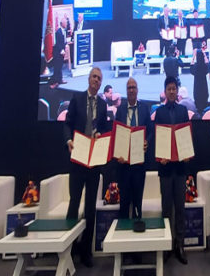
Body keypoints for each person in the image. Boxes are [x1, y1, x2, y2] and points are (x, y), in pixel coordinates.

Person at [63, 67, 110, 267]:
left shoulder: (103, 104)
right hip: (78, 158)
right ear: (89, 79)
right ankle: (68, 247)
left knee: (90, 206)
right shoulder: (77, 99)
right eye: (94, 77)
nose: (96, 80)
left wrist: (101, 135)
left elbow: (105, 128)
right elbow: (67, 123)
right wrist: (68, 140)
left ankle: (85, 251)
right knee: (74, 203)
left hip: (94, 161)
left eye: (99, 78)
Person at [154, 76, 190, 264]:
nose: (171, 91)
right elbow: (157, 137)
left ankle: (180, 245)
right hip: (166, 168)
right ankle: (167, 244)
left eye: (174, 88)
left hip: (181, 167)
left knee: (180, 208)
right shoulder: (159, 112)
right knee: (166, 208)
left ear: (177, 91)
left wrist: (187, 152)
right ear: (165, 91)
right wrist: (160, 156)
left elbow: (187, 135)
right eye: (169, 89)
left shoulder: (183, 111)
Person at [115, 78, 151, 218]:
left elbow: (150, 131)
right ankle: (123, 230)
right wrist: (118, 153)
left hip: (139, 164)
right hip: (123, 165)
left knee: (137, 203)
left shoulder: (144, 109)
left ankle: (137, 228)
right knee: (124, 204)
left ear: (137, 90)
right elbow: (116, 133)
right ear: (126, 90)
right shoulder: (120, 110)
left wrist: (147, 141)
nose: (131, 90)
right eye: (129, 87)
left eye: (133, 87)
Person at [49, 19, 67, 88]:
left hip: (62, 52)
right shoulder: (58, 32)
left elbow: (63, 41)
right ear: (62, 24)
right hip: (57, 53)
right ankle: (54, 82)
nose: (66, 24)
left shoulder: (64, 31)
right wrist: (61, 50)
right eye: (65, 23)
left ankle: (60, 80)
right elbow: (58, 43)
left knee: (60, 67)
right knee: (57, 68)